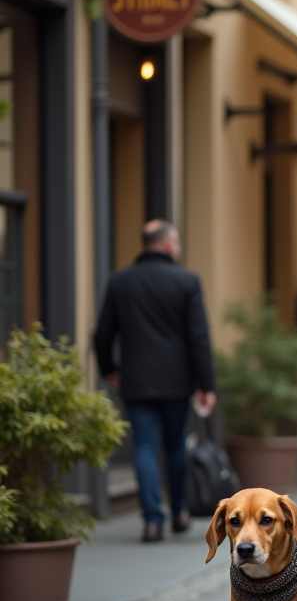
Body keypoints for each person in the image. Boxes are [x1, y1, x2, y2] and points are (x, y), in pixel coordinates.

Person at [94, 220, 216, 543]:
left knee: (145, 446)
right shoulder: (187, 280)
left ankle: (151, 520)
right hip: (177, 381)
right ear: (167, 245)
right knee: (176, 444)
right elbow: (198, 337)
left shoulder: (121, 282)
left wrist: (109, 368)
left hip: (135, 380)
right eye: (175, 243)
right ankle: (178, 511)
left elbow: (102, 333)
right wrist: (207, 384)